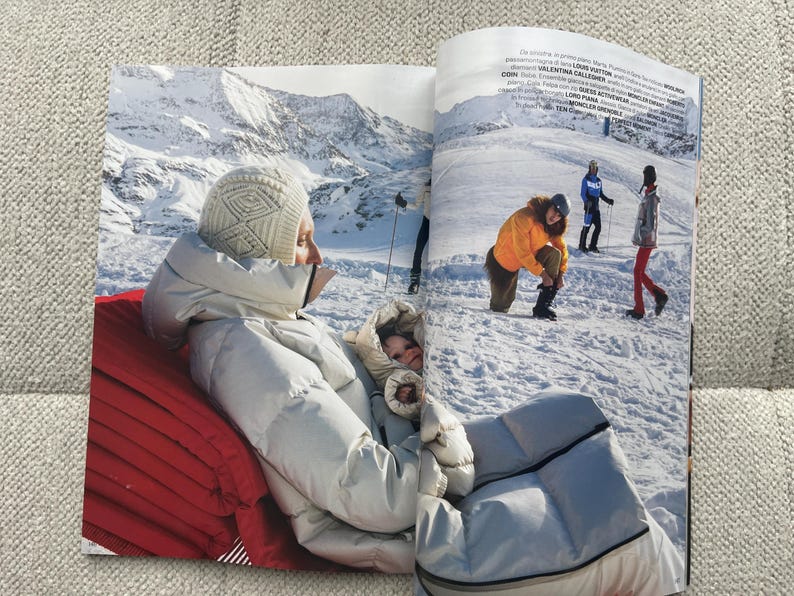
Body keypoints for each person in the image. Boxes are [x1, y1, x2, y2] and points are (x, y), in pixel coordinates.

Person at [141, 165, 465, 573]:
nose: (317, 257)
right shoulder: (244, 350)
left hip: (406, 468)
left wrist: (385, 366)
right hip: (398, 531)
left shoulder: (266, 316)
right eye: (300, 241)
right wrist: (439, 436)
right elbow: (379, 496)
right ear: (254, 253)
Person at [484, 193, 570, 319]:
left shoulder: (553, 226)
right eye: (554, 211)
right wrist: (543, 274)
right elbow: (522, 252)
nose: (554, 217)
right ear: (548, 205)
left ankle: (543, 306)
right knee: (500, 308)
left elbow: (561, 248)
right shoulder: (524, 218)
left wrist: (561, 274)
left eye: (559, 216)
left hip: (530, 255)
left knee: (555, 255)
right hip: (505, 258)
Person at [626, 165, 669, 319]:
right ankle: (659, 296)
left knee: (637, 271)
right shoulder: (650, 194)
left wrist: (640, 236)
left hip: (647, 240)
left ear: (650, 177)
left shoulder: (651, 197)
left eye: (646, 175)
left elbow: (650, 224)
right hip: (646, 240)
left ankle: (639, 309)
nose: (644, 178)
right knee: (639, 271)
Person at [578, 160, 614, 253]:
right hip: (589, 208)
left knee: (598, 227)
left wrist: (608, 200)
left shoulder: (599, 181)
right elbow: (582, 193)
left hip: (596, 208)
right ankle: (582, 245)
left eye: (595, 168)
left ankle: (593, 246)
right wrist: (586, 202)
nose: (593, 170)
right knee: (586, 227)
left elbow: (600, 194)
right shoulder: (585, 179)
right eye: (592, 168)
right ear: (589, 169)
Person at [408, 178, 431, 294]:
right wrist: (402, 203)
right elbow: (416, 205)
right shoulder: (426, 186)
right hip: (427, 221)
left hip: (442, 223)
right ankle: (414, 284)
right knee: (418, 251)